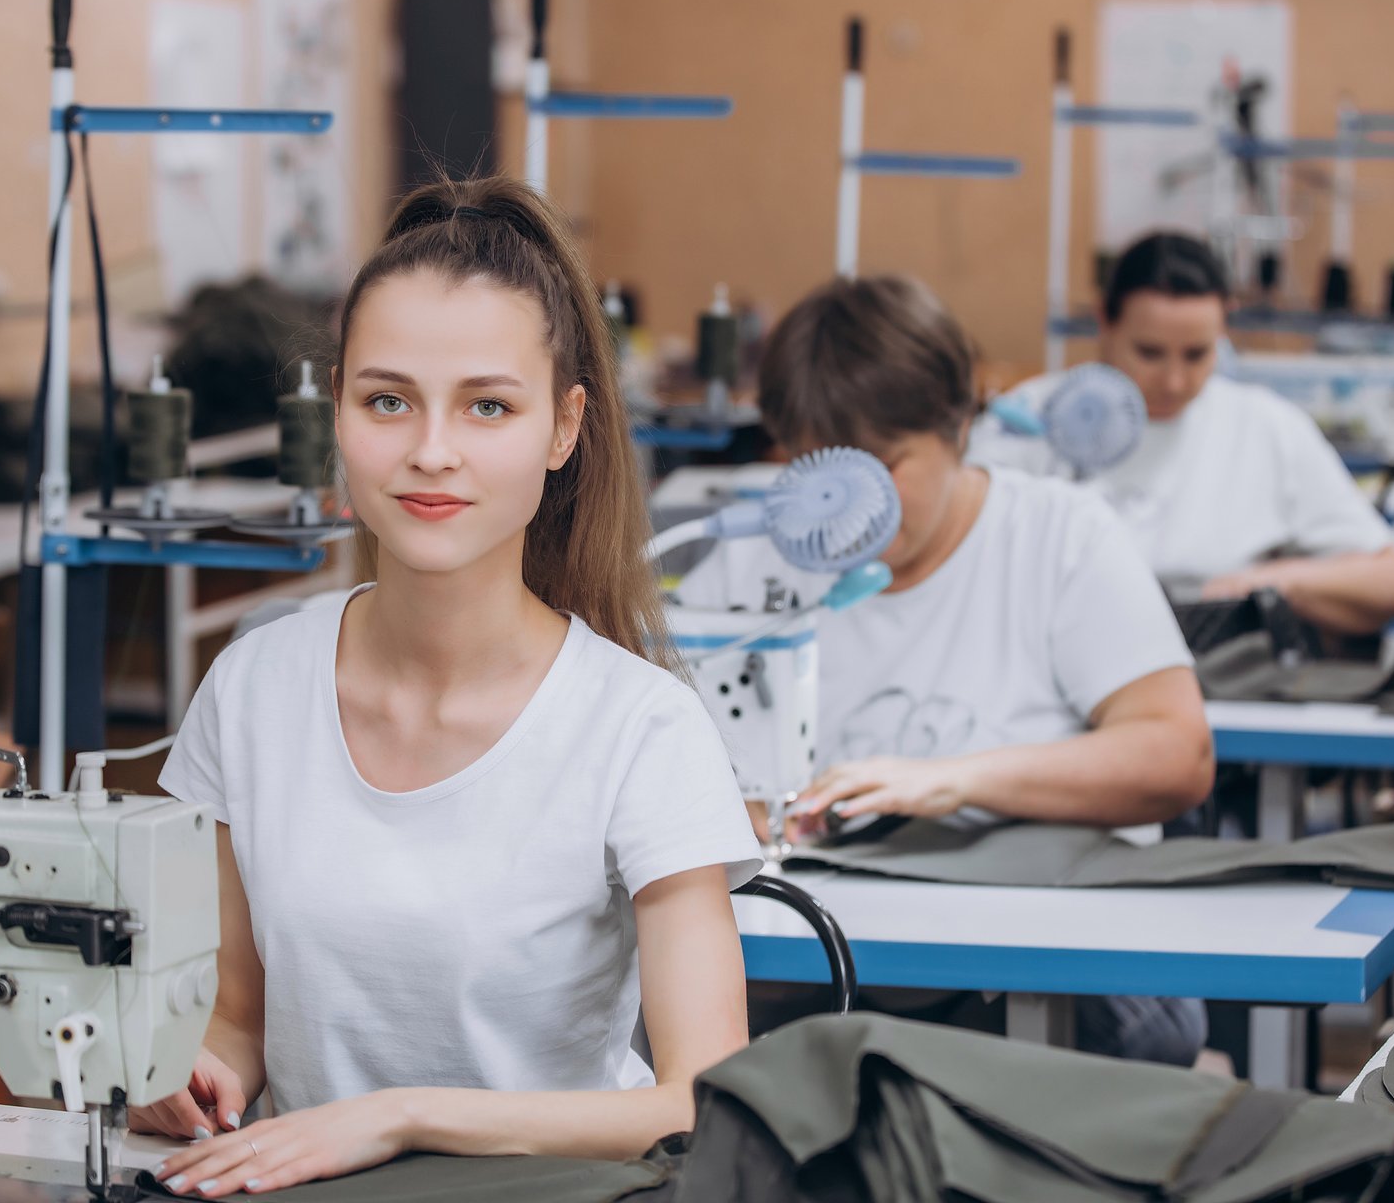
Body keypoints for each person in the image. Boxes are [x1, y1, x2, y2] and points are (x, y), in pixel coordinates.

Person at [139, 177, 762, 1197]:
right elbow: (238, 1016)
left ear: (563, 429)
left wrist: (401, 1115)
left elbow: (703, 1096)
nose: (432, 449)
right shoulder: (253, 687)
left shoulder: (641, 727)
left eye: (487, 405)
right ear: (335, 410)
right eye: (388, 400)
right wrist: (189, 1075)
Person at [677, 274, 1213, 1065]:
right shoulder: (754, 555)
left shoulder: (1057, 538)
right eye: (816, 470)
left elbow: (1178, 754)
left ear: (960, 425)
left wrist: (956, 781)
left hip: (1047, 969)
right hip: (836, 967)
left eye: (884, 467)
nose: (844, 509)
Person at [971, 231, 1394, 636]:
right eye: (1150, 353)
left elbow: (1388, 579)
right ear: (1105, 319)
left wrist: (1267, 582)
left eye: (1198, 354)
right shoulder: (1031, 422)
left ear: (1224, 326)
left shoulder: (1264, 428)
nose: (1175, 382)